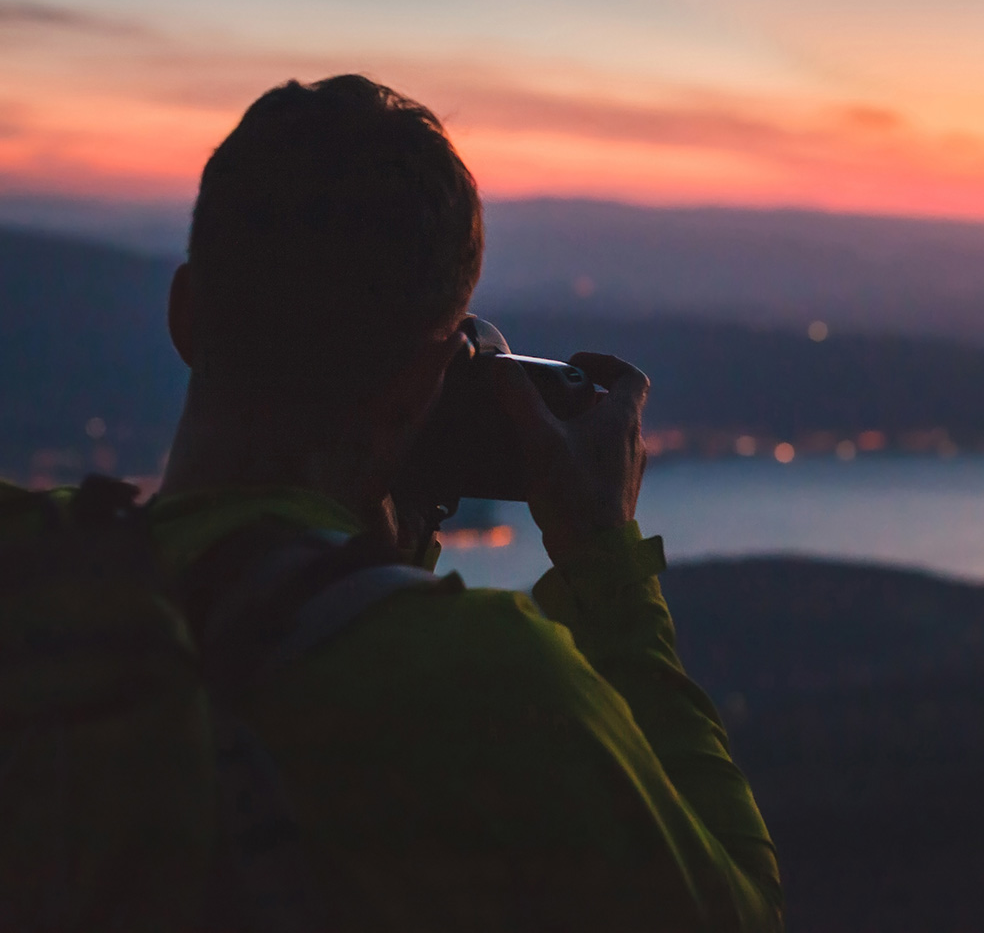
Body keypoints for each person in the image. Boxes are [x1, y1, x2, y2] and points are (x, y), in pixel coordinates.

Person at [23, 75, 782, 930]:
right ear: (425, 386)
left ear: (186, 314)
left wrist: (386, 535)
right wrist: (606, 559)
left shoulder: (37, 581)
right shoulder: (484, 686)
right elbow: (739, 913)